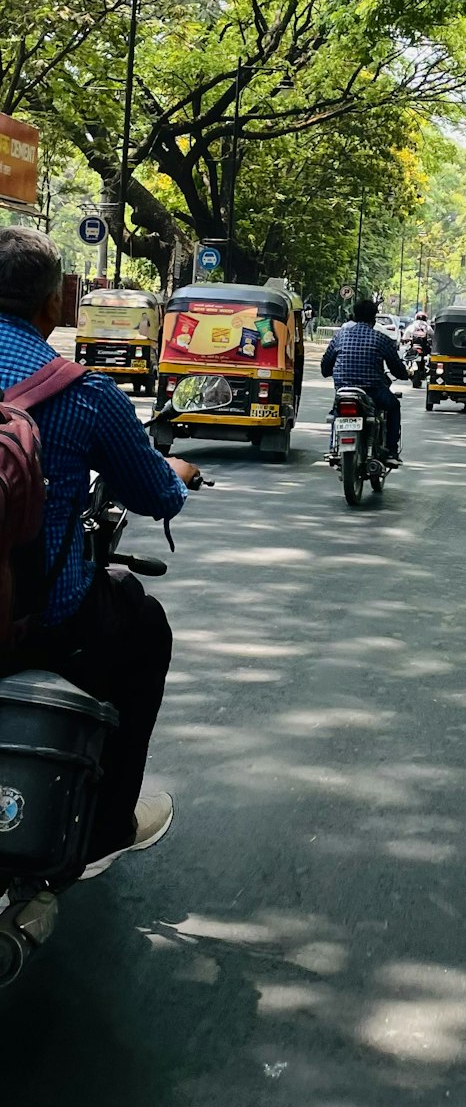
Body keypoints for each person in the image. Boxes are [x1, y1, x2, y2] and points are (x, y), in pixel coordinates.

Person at [0, 228, 201, 877]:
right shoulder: (84, 394)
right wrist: (178, 476)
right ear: (56, 304)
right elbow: (155, 496)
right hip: (37, 623)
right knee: (143, 628)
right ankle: (106, 826)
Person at [322, 297, 408, 461]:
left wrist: (330, 372)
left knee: (336, 412)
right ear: (374, 318)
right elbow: (397, 369)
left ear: (354, 315)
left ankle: (333, 447)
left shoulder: (341, 336)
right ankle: (391, 451)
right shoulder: (381, 339)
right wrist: (405, 374)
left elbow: (325, 366)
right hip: (373, 391)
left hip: (343, 390)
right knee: (394, 406)